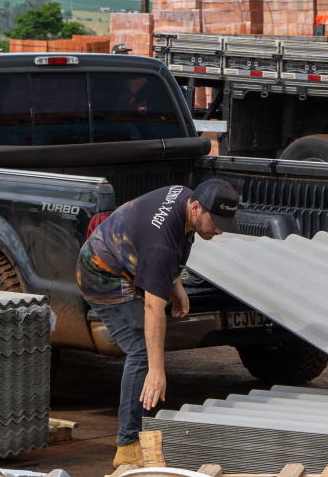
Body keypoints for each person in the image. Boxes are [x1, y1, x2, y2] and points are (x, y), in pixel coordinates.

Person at [76, 179, 239, 468]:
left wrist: (175, 285)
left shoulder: (185, 199)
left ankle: (131, 434)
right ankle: (127, 444)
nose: (220, 229)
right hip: (102, 274)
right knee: (141, 351)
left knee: (147, 347)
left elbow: (168, 247)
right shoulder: (161, 244)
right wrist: (157, 370)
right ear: (197, 208)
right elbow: (153, 307)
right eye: (216, 221)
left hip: (123, 257)